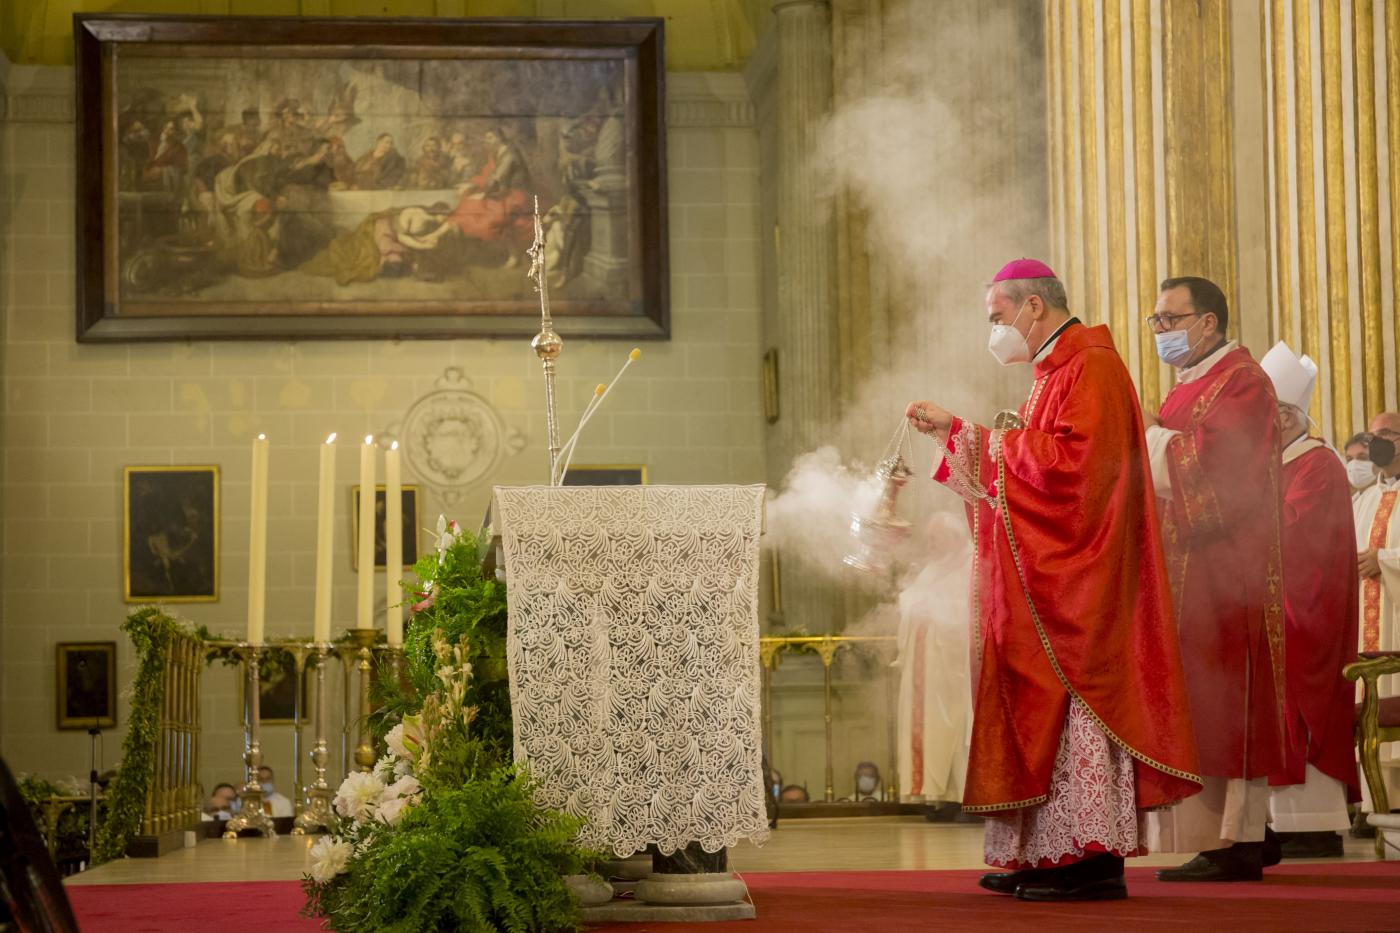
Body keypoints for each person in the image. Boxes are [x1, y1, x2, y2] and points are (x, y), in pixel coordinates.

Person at [906, 258, 1201, 902]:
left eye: (997, 317)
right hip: (1051, 579)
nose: (994, 331)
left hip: (1081, 583)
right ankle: (1048, 853)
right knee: (1045, 712)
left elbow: (1076, 474)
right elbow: (1028, 470)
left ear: (1032, 307)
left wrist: (971, 434)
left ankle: (1090, 860)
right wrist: (955, 436)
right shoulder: (1053, 373)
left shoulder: (1090, 367)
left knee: (1077, 716)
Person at [1141, 276, 1286, 882]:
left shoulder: (1243, 381)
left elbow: (1219, 475)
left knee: (1231, 704)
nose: (1161, 332)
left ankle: (1241, 841)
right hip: (1186, 576)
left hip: (1229, 571)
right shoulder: (1190, 387)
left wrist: (1148, 436)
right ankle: (1230, 835)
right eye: (1156, 322)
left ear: (1208, 323)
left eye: (1171, 320)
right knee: (1201, 705)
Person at [1257, 342, 1359, 858]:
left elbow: (1298, 535)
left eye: (1270, 413)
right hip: (1275, 609)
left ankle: (1312, 823)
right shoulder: (1277, 464)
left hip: (1306, 612)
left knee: (1301, 708)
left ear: (1290, 416)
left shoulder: (1318, 464)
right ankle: (1276, 823)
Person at [894, 512, 971, 808]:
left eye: (934, 539)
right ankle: (940, 799)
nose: (930, 545)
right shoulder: (931, 570)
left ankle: (964, 796)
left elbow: (971, 612)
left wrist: (934, 611)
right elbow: (911, 603)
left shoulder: (970, 565)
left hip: (955, 668)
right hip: (927, 667)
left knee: (958, 730)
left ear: (952, 538)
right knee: (930, 729)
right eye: (928, 539)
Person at [1352, 410, 1400, 814]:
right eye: (1374, 435)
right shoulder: (1364, 498)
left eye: (1387, 434)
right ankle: (1375, 806)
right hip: (1370, 614)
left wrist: (1383, 560)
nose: (1378, 442)